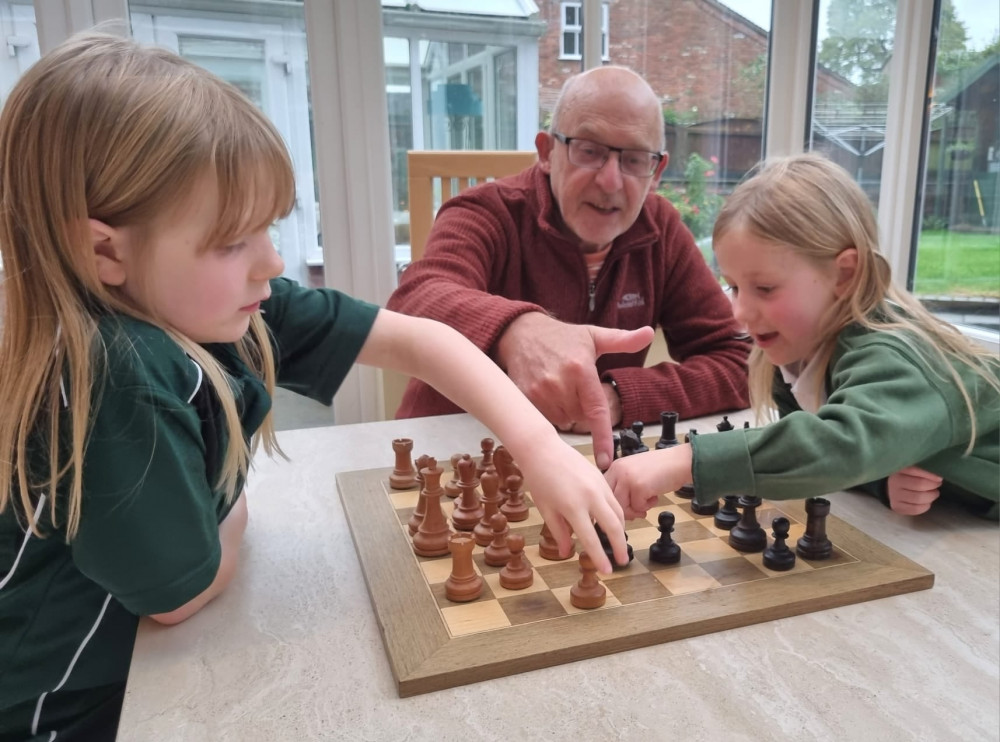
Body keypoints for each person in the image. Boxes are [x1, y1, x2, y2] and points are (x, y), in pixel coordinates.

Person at [0, 33, 631, 741]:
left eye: (269, 228)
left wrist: (538, 449)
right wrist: (232, 512)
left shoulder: (215, 309)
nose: (271, 261)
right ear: (105, 250)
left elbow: (420, 338)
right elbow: (179, 595)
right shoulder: (113, 373)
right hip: (64, 713)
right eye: (232, 240)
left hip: (144, 677)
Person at [386, 65, 750, 470]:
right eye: (589, 150)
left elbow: (740, 361)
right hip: (454, 465)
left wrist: (618, 395)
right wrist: (517, 329)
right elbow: (417, 298)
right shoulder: (484, 211)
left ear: (657, 171)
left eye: (633, 159)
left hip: (580, 466)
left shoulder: (660, 229)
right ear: (547, 152)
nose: (611, 182)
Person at [605, 153, 1000, 522]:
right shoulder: (794, 356)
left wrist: (684, 461)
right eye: (735, 288)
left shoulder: (896, 354)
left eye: (764, 288)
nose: (739, 313)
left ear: (844, 275)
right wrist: (881, 479)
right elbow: (847, 454)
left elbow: (842, 444)